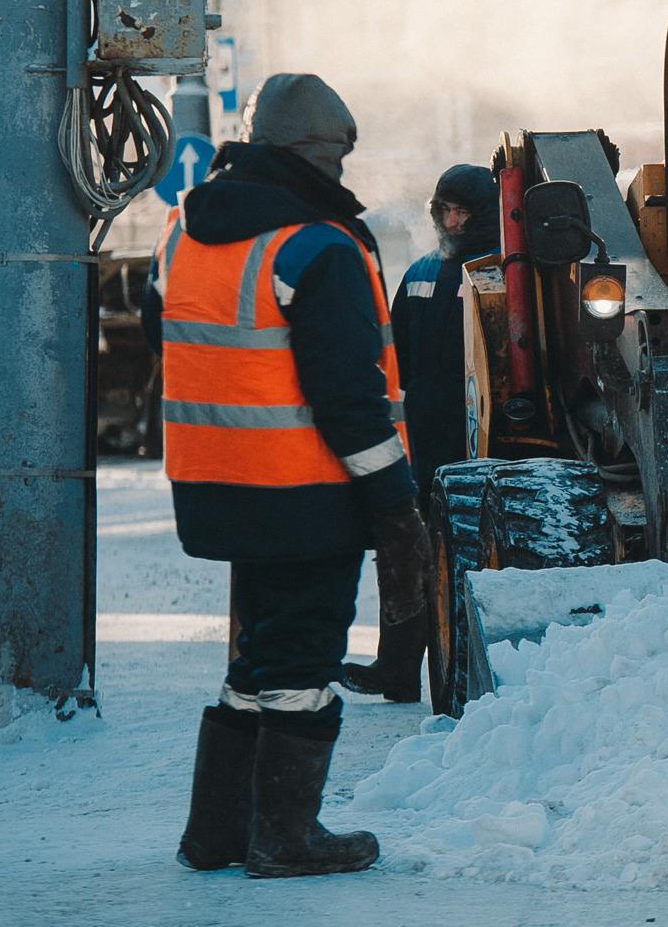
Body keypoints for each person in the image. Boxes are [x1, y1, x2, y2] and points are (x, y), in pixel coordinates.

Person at [144, 73, 431, 878]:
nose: (343, 171)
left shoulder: (183, 233)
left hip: (212, 487)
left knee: (258, 659)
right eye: (339, 154)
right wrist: (394, 500)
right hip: (303, 492)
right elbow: (349, 397)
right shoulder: (317, 247)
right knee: (303, 659)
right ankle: (285, 838)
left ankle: (217, 833)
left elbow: (161, 332)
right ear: (318, 151)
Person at [340, 164, 502, 702]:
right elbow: (394, 364)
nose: (453, 222)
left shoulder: (504, 276)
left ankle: (469, 668)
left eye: (463, 212)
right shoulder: (419, 276)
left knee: (461, 562)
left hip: (481, 447)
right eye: (445, 212)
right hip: (423, 444)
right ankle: (397, 670)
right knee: (406, 557)